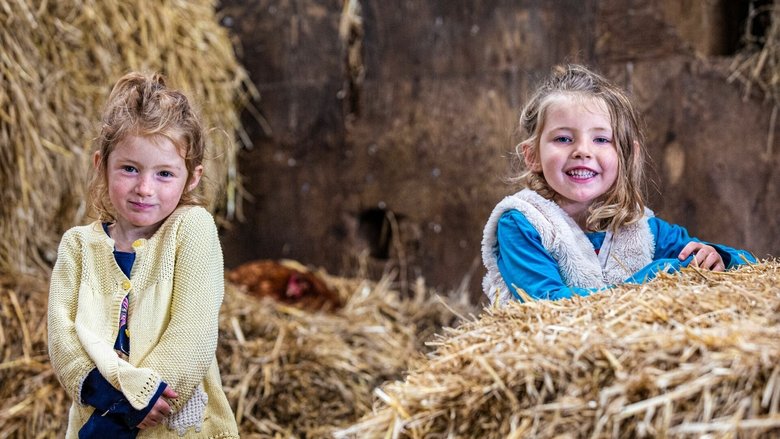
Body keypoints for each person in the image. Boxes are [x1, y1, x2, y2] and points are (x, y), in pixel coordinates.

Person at [48, 72, 239, 438]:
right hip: (96, 415)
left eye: (165, 173)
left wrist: (124, 418)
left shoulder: (192, 230)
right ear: (101, 165)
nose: (145, 188)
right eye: (130, 169)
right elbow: (63, 337)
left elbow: (192, 335)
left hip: (173, 428)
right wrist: (106, 400)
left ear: (192, 177)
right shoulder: (77, 246)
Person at [481, 64, 756, 306]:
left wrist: (717, 257)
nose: (582, 151)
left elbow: (749, 266)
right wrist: (658, 276)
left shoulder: (640, 228)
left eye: (601, 140)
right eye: (564, 139)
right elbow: (547, 305)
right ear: (533, 156)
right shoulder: (523, 222)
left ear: (626, 156)